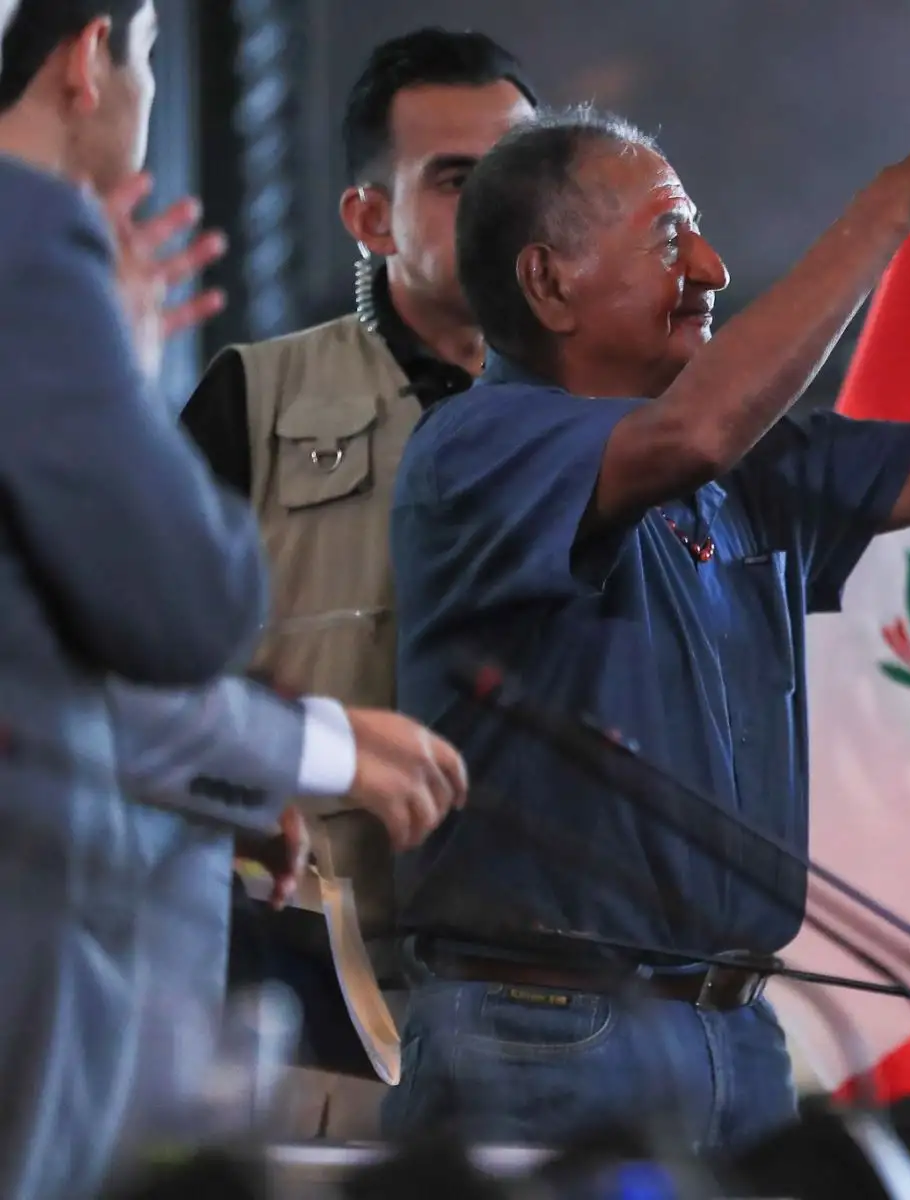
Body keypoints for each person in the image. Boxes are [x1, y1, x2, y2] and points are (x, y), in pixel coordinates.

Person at [380, 105, 910, 1150]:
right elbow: (693, 430)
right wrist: (892, 203)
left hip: (736, 1033)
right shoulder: (475, 446)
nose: (714, 266)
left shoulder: (733, 469)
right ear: (549, 283)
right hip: (546, 1035)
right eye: (670, 236)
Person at [0, 3, 466, 1191]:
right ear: (87, 57)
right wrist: (123, 359)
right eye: (150, 58)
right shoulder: (30, 238)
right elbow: (188, 608)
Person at [179, 26, 536, 1135]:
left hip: (566, 1012)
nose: (506, 210)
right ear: (369, 217)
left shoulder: (629, 417)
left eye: (525, 174)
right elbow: (152, 687)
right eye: (458, 182)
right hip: (326, 1013)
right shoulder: (254, 402)